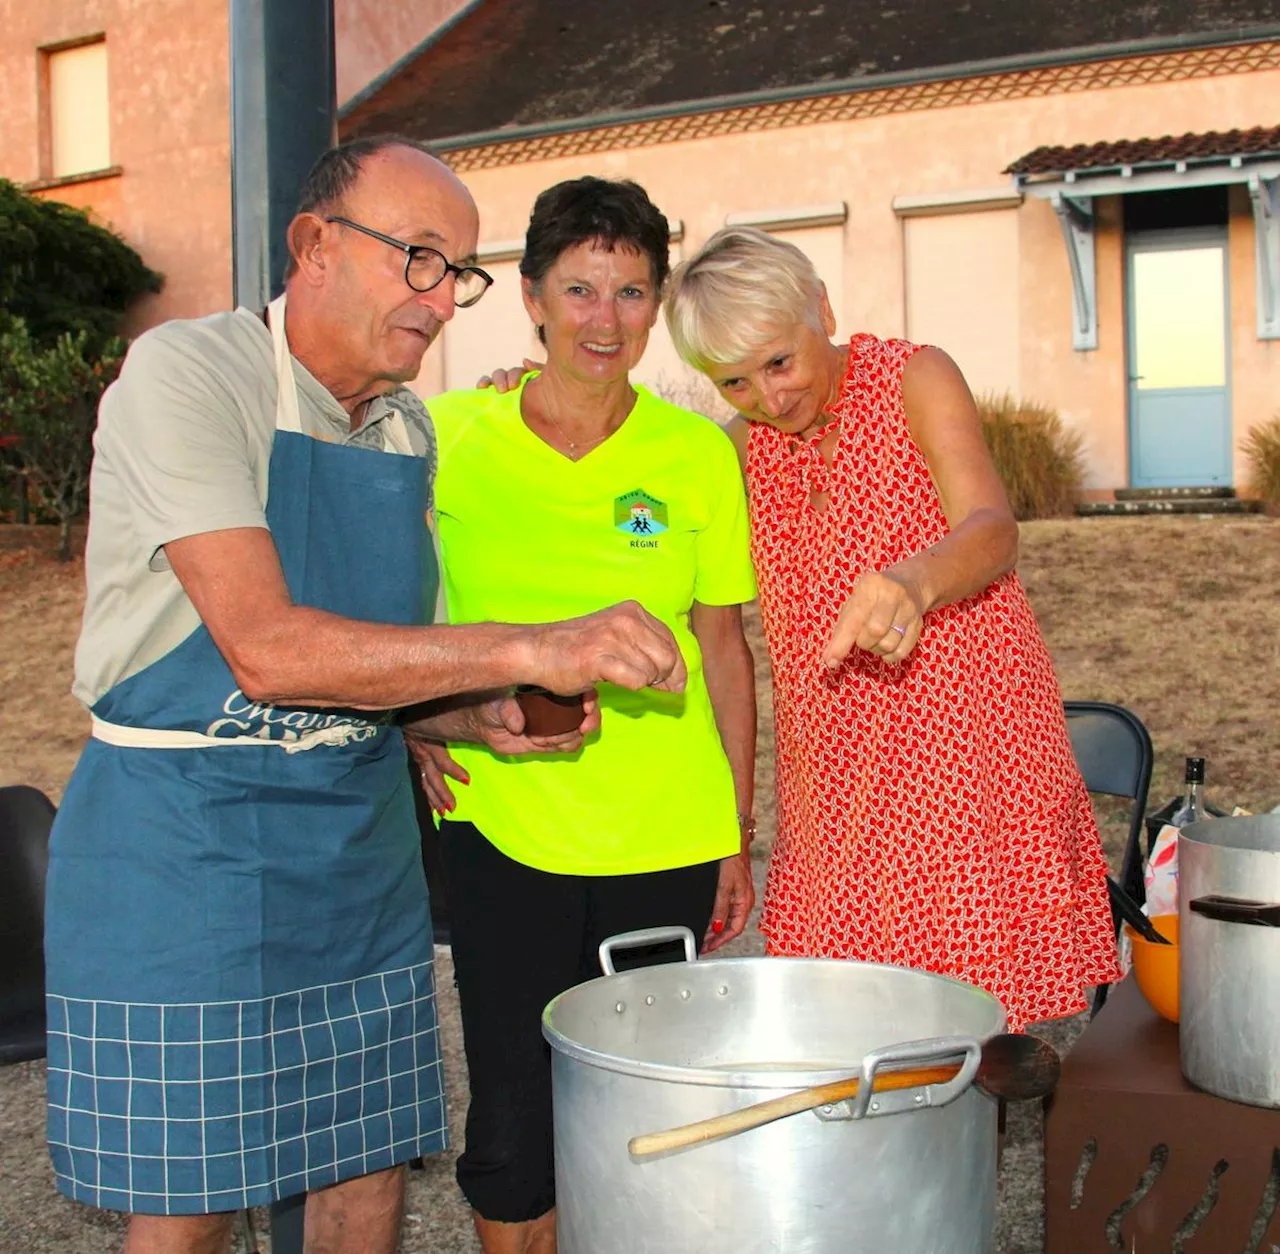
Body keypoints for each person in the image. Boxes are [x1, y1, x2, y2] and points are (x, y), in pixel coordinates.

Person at [43, 137, 688, 1254]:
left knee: (362, 1178)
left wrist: (471, 714)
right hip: (184, 841)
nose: (442, 301)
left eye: (460, 272)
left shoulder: (405, 431)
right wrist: (529, 645)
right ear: (315, 247)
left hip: (352, 850)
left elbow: (381, 669)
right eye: (419, 260)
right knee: (192, 1200)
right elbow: (268, 650)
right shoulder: (189, 375)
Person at [659, 226, 1121, 1031]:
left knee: (971, 1005)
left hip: (962, 739)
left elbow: (992, 528)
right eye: (734, 381)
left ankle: (969, 1134)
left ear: (823, 310)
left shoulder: (913, 376)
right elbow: (635, 484)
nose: (770, 398)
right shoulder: (731, 455)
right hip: (834, 768)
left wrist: (913, 579)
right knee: (856, 1016)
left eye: (780, 361)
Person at [417, 177, 757, 1254]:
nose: (601, 320)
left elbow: (721, 649)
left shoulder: (696, 453)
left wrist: (733, 829)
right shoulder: (440, 436)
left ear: (655, 306)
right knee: (515, 1113)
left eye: (628, 292)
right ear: (528, 297)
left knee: (651, 1112)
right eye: (577, 289)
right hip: (501, 823)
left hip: (663, 833)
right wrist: (421, 726)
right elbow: (387, 613)